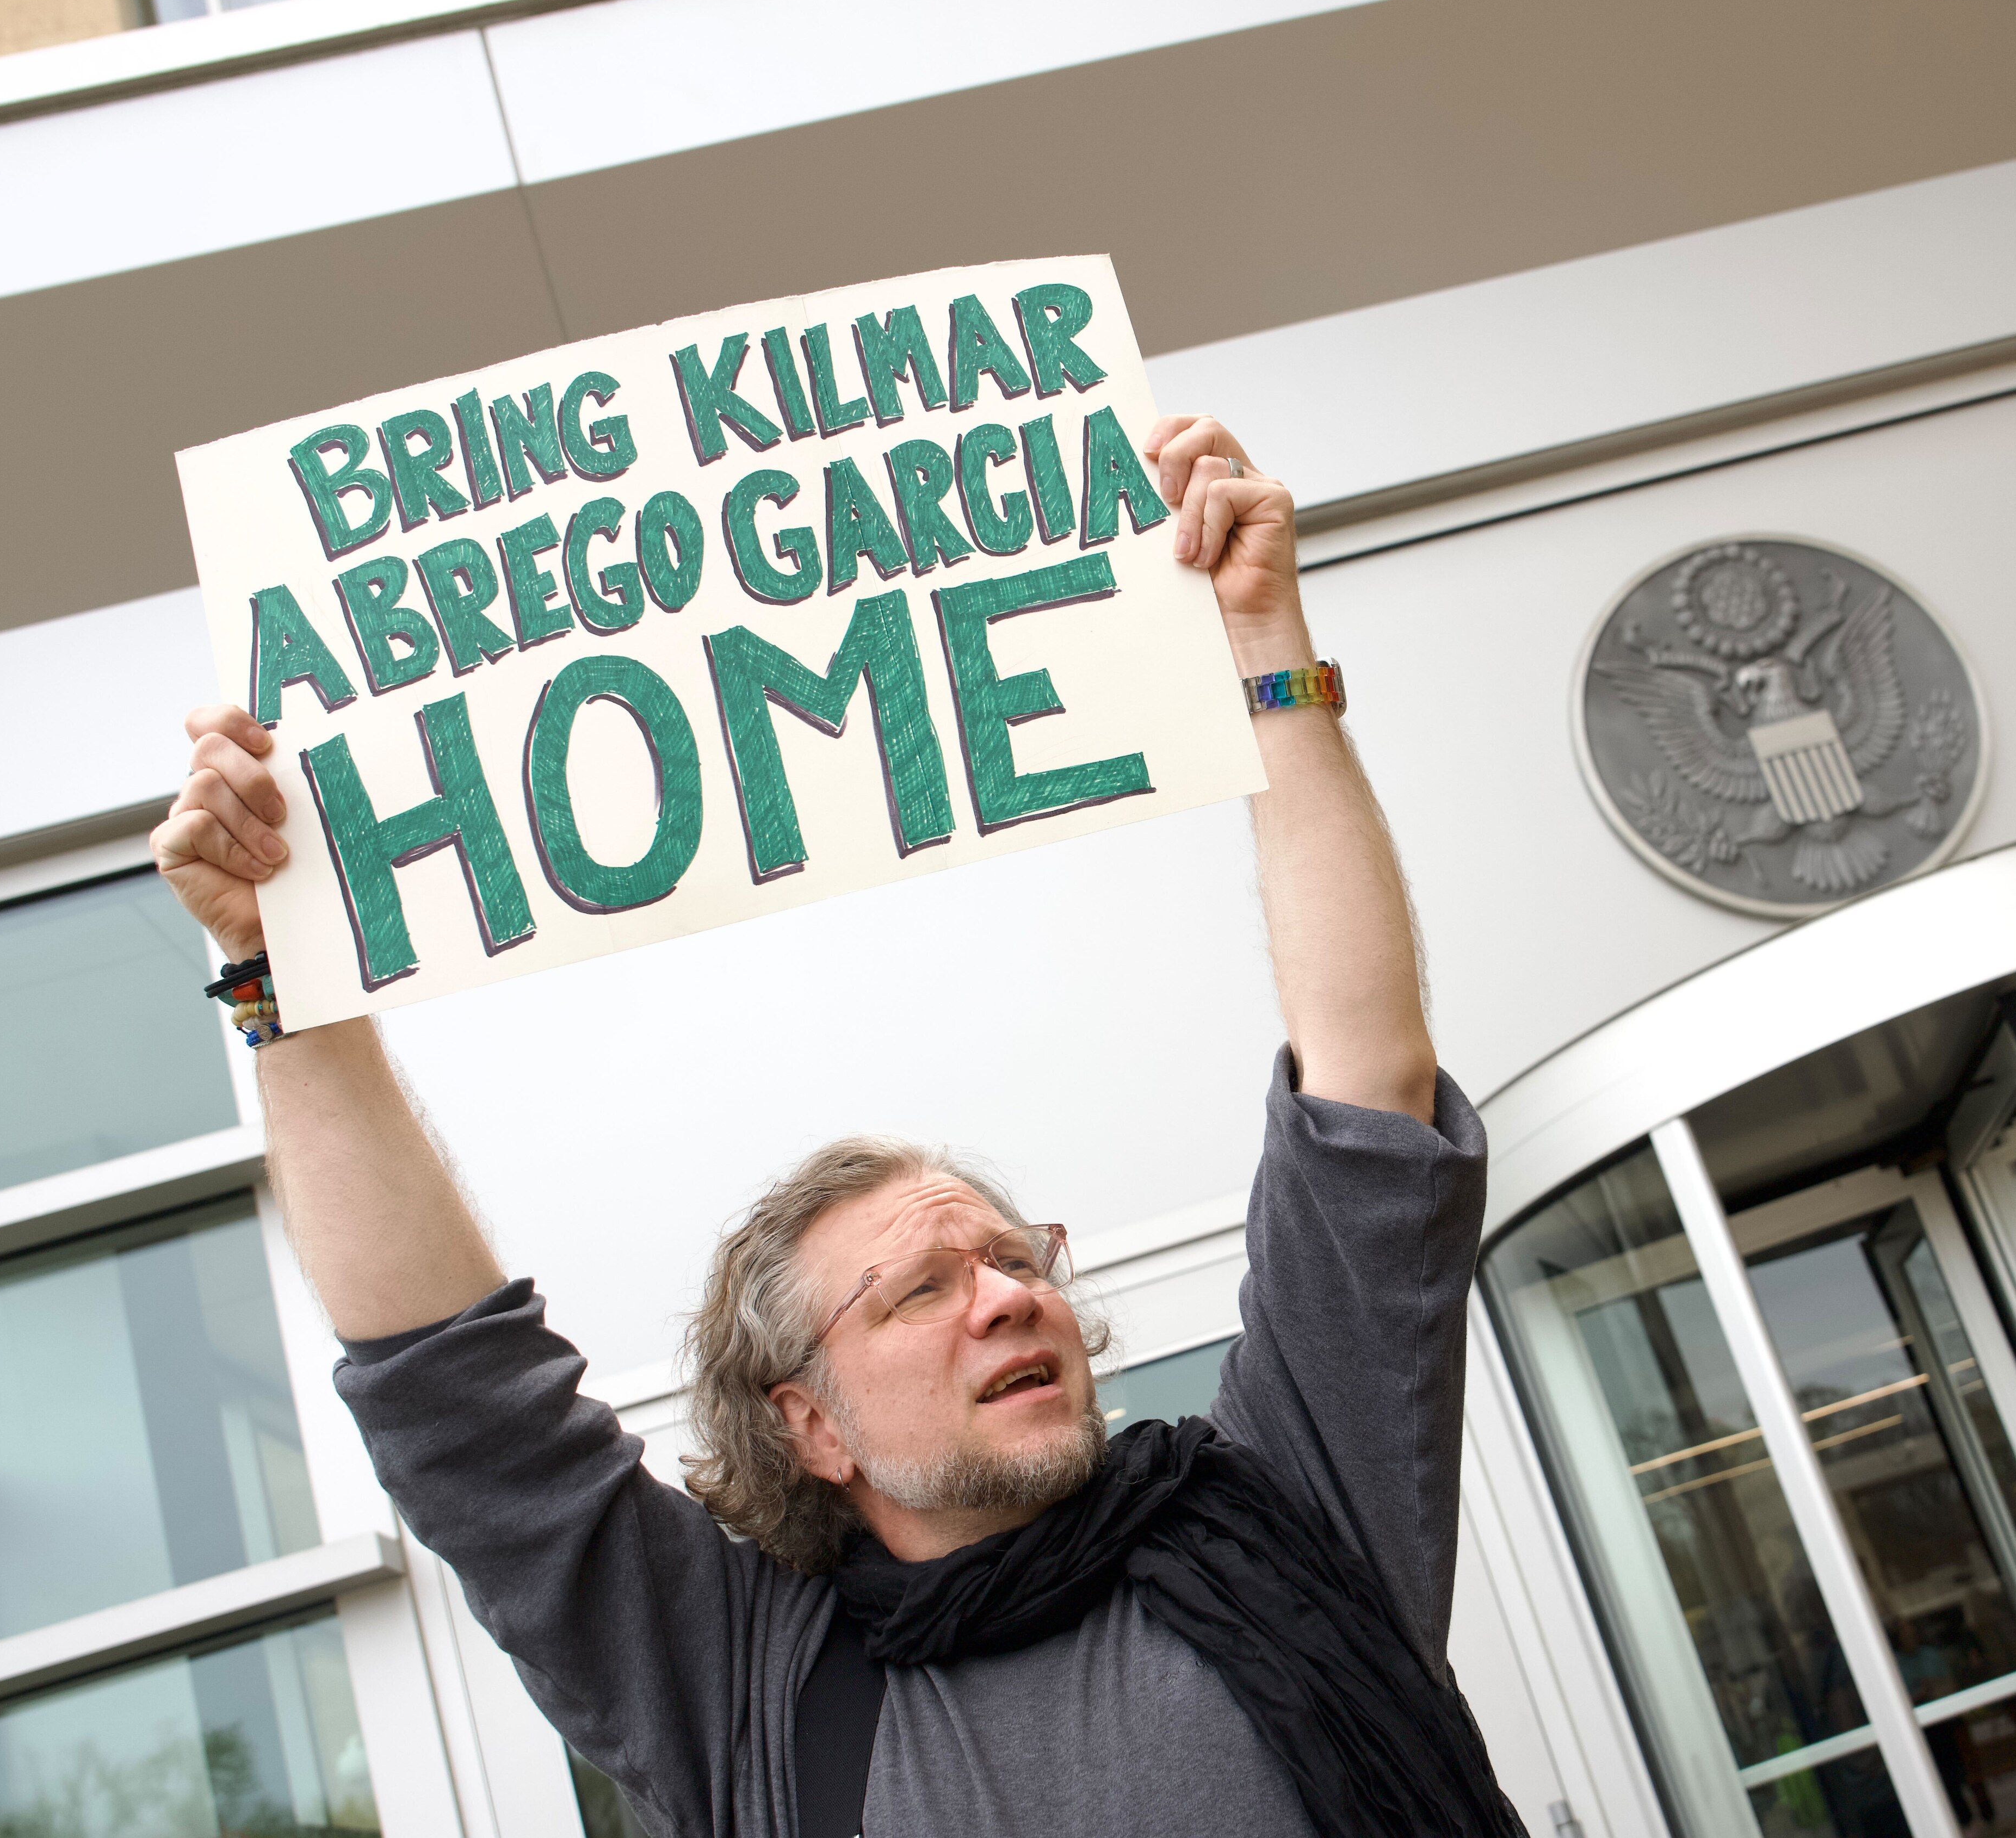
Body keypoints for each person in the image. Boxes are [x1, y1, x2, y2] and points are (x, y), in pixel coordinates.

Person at [150, 415, 1525, 1838]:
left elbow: (1367, 1099)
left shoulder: (1293, 1510)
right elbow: (459, 1402)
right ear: (810, 1423)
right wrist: (279, 972)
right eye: (921, 1289)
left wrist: (1267, 655)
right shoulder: (742, 1692)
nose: (1009, 1298)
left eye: (1016, 1261)